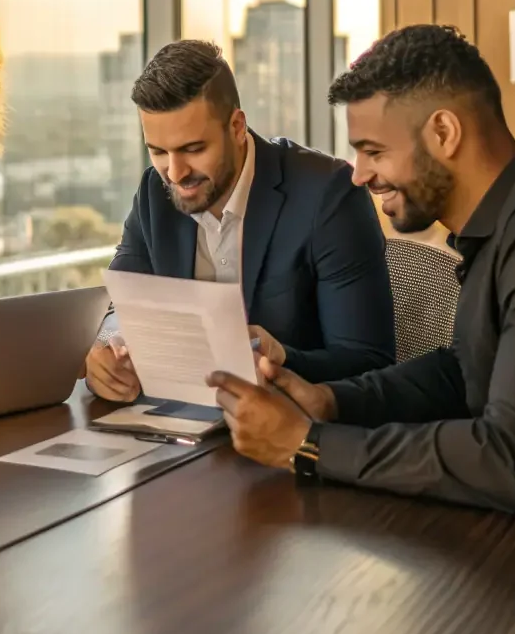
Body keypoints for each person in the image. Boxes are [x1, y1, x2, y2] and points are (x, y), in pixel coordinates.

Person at [207, 25, 515, 634]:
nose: (359, 175)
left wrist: (307, 445)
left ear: (443, 132)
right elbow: (464, 368)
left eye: (374, 151)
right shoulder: (510, 228)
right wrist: (331, 400)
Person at [85, 40, 395, 402]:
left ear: (236, 126)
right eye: (158, 151)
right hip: (177, 426)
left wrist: (282, 361)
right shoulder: (155, 192)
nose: (175, 172)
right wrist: (105, 355)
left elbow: (369, 363)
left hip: (289, 433)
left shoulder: (329, 195)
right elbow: (120, 306)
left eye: (193, 149)